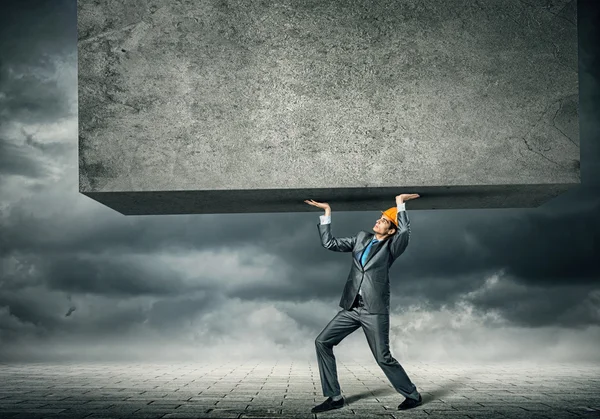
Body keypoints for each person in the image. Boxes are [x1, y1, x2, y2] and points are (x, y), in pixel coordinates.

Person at [304, 193, 422, 413]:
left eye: (384, 221)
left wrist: (400, 203)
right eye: (380, 219)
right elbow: (329, 243)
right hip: (351, 308)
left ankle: (412, 395)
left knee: (383, 357)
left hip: (374, 311)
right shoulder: (360, 238)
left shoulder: (391, 249)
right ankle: (335, 397)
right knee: (322, 342)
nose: (378, 221)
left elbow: (405, 230)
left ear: (391, 231)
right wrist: (327, 212)